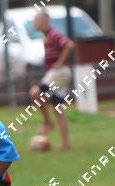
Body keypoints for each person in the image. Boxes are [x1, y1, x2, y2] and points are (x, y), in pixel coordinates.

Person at [30, 9, 75, 150]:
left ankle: (48, 123)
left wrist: (59, 63)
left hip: (59, 72)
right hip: (60, 74)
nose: (34, 23)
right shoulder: (46, 36)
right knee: (58, 109)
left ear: (44, 21)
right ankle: (66, 144)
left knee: (35, 92)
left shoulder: (53, 34)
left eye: (36, 20)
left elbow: (69, 44)